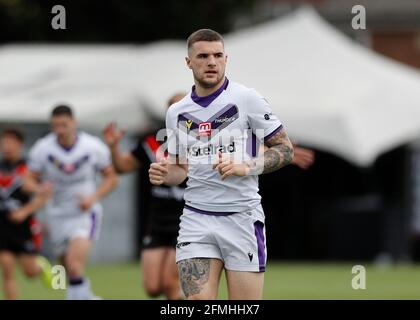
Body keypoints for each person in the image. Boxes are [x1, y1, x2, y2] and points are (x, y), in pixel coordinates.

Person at [148, 29, 294, 300]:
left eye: (217, 55)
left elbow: (285, 150)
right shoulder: (176, 112)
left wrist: (246, 166)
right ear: (188, 62)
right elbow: (180, 170)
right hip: (196, 218)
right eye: (203, 56)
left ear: (226, 58)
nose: (211, 62)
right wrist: (165, 172)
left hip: (242, 218)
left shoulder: (247, 99)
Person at [25, 105, 118, 300]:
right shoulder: (43, 148)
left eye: (64, 125)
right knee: (66, 270)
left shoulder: (92, 146)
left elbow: (111, 179)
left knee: (75, 266)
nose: (59, 130)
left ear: (74, 123)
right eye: (55, 126)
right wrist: (39, 188)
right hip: (57, 214)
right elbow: (27, 180)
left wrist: (92, 198)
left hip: (84, 213)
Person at [102, 93, 186, 300]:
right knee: (152, 288)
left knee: (170, 283)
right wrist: (113, 147)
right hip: (157, 223)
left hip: (188, 223)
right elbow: (121, 167)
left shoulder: (204, 141)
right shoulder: (152, 142)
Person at [0, 128, 52, 300]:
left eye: (11, 142)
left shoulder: (29, 169)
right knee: (7, 270)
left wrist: (24, 211)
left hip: (23, 226)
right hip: (2, 225)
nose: (6, 146)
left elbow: (43, 195)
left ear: (19, 144)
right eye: (4, 141)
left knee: (29, 272)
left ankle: (41, 267)